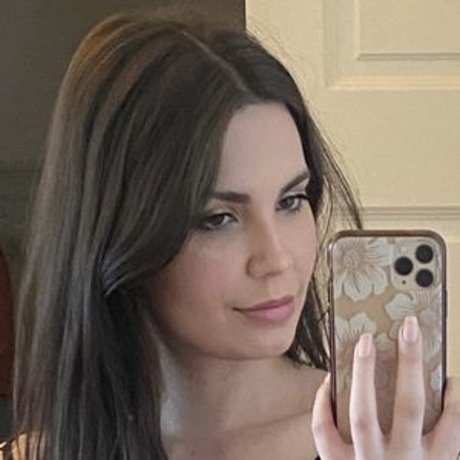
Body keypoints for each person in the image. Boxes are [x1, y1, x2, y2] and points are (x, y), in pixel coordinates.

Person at [1, 8, 459, 460]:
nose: (276, 259)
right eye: (218, 218)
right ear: (122, 233)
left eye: (290, 201)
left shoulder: (409, 446)